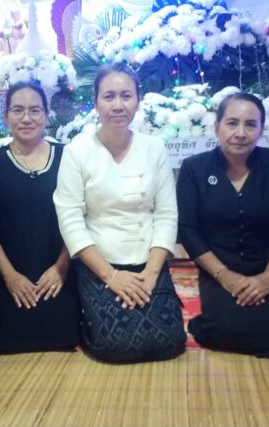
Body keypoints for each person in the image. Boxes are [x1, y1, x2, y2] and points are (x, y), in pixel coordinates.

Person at [54, 63, 186, 363]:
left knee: (169, 341)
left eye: (126, 96)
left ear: (138, 100)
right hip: (99, 263)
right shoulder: (77, 152)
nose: (117, 105)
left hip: (148, 260)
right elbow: (71, 221)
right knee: (114, 346)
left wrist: (151, 274)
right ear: (96, 102)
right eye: (108, 96)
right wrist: (112, 277)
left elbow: (166, 214)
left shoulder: (154, 148)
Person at [176, 93, 269, 358]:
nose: (241, 133)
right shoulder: (195, 168)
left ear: (261, 129)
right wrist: (226, 277)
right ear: (216, 127)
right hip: (219, 268)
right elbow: (188, 229)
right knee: (222, 331)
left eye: (250, 125)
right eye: (232, 123)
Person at [0, 81, 79, 353]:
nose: (26, 118)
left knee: (66, 338)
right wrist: (10, 276)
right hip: (10, 277)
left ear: (46, 115)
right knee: (7, 342)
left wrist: (61, 268)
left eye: (34, 110)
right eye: (18, 110)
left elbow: (81, 220)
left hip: (59, 274)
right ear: (6, 115)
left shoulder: (68, 157)